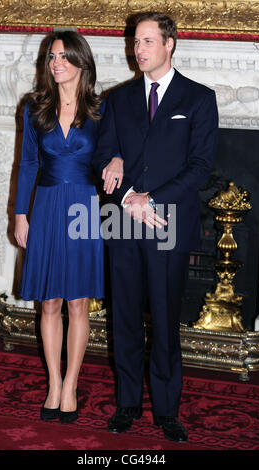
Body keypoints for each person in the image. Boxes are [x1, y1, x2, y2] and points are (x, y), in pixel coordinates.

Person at [93, 12, 218, 442]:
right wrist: (128, 196)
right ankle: (127, 404)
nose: (138, 49)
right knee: (124, 318)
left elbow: (201, 167)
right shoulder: (118, 98)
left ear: (169, 44)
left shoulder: (199, 99)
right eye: (135, 41)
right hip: (124, 220)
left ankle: (167, 410)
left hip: (168, 221)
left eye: (147, 40)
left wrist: (153, 199)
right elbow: (104, 155)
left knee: (164, 320)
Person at [14, 31, 110, 424]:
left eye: (63, 57)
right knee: (50, 301)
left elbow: (114, 154)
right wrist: (21, 215)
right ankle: (53, 383)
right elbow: (28, 164)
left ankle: (71, 384)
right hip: (48, 207)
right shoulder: (34, 107)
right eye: (51, 57)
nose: (56, 63)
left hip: (86, 210)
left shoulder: (103, 110)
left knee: (77, 302)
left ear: (81, 62)